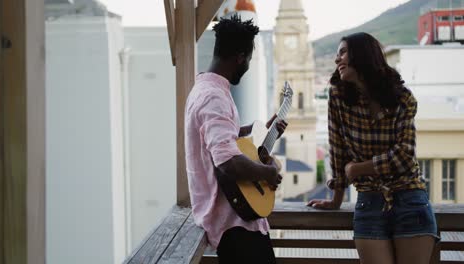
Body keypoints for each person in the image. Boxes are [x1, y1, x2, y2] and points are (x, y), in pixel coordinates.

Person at [307, 32, 439, 264]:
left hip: (410, 197)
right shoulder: (338, 97)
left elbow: (404, 157)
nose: (337, 60)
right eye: (337, 55)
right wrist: (336, 198)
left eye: (343, 52)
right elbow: (337, 149)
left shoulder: (403, 99)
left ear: (363, 55)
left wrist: (356, 170)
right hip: (369, 201)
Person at [184, 15, 287, 264]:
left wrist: (254, 129)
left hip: (239, 226)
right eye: (249, 59)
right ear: (240, 57)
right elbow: (228, 163)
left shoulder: (207, 90)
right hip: (235, 228)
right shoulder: (213, 97)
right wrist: (268, 174)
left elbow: (217, 139)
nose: (248, 65)